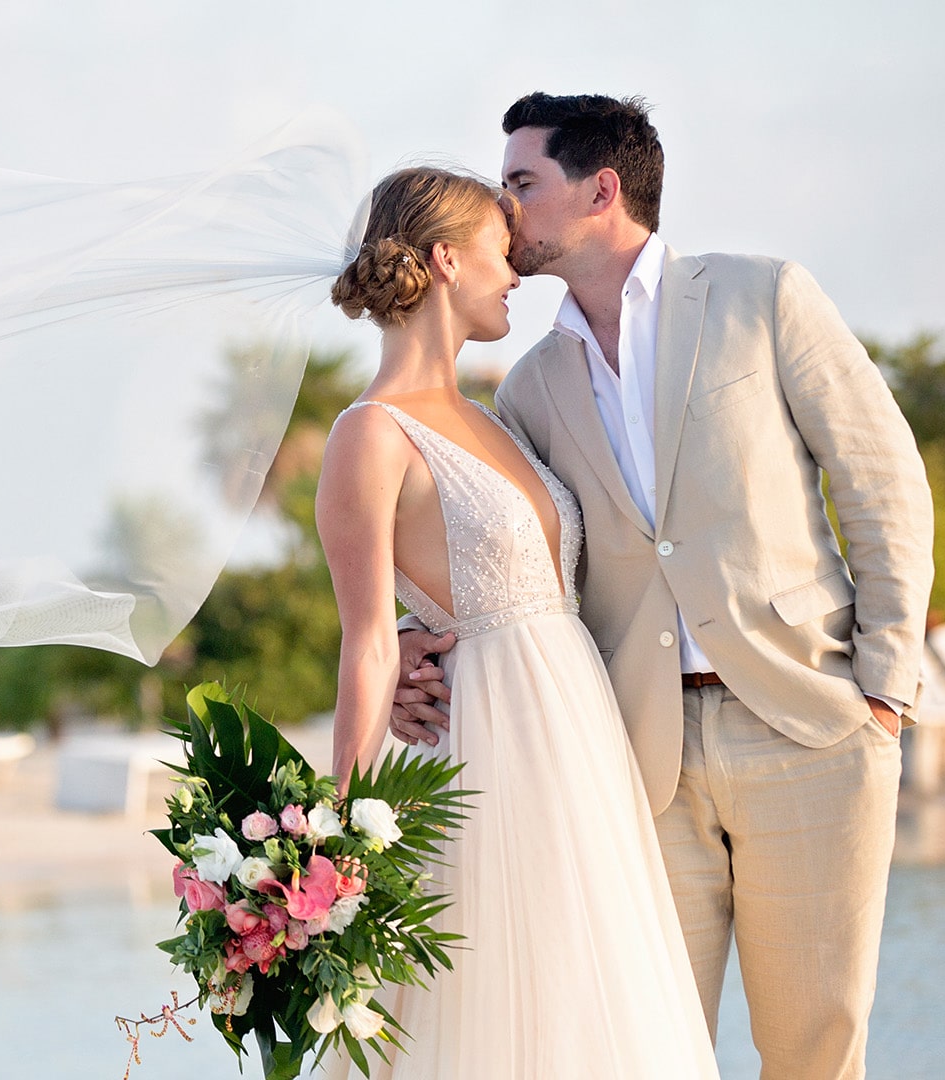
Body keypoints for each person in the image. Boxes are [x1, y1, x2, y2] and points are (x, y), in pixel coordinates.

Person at [390, 94, 934, 1080]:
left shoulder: (762, 297)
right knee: (641, 1050)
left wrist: (886, 684)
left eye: (523, 185)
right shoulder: (528, 386)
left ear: (601, 189)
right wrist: (403, 638)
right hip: (632, 760)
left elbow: (878, 473)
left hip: (808, 727)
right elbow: (493, 544)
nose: (503, 213)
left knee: (817, 1048)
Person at [315, 166, 719, 1078]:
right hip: (482, 751)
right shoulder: (368, 435)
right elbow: (370, 639)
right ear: (448, 261)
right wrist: (334, 837)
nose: (517, 275)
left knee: (591, 1000)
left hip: (576, 743)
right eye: (502, 256)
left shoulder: (496, 419)